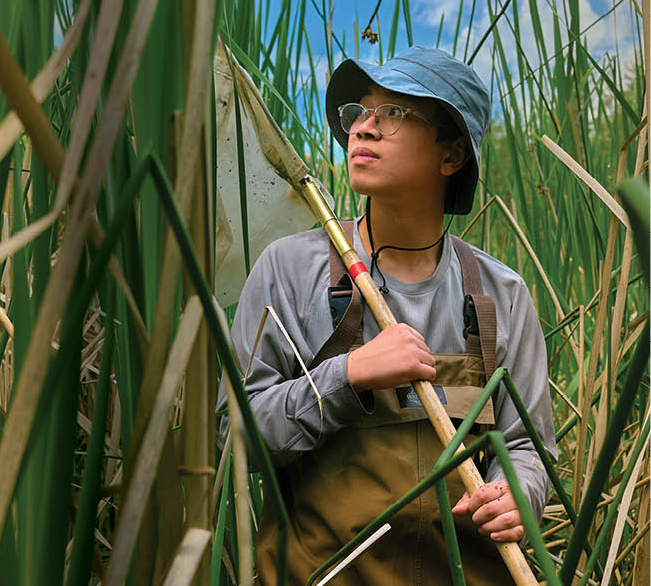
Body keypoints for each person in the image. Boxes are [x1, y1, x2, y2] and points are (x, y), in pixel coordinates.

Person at [228, 46, 557, 585]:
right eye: (360, 111)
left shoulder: (502, 294)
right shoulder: (289, 270)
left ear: (451, 156)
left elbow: (527, 447)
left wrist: (519, 493)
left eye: (395, 113)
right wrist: (348, 376)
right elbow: (235, 436)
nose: (364, 127)